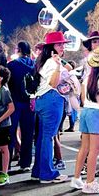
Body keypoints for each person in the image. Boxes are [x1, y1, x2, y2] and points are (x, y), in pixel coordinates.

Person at [72, 45, 99, 194]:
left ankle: (76, 178)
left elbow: (83, 97)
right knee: (94, 151)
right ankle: (90, 183)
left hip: (86, 111)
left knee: (84, 148)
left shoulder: (89, 76)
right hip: (96, 113)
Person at [31, 31, 70, 183]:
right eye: (59, 44)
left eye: (63, 44)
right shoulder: (52, 63)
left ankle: (39, 170)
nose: (62, 47)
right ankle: (47, 173)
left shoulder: (44, 61)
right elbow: (53, 83)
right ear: (51, 47)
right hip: (51, 99)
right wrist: (59, 66)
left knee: (42, 137)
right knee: (48, 137)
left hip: (43, 100)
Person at [7, 41, 35, 171]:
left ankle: (6, 163)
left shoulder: (12, 65)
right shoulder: (34, 65)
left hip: (15, 101)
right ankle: (25, 163)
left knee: (11, 132)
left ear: (18, 50)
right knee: (28, 134)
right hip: (30, 103)